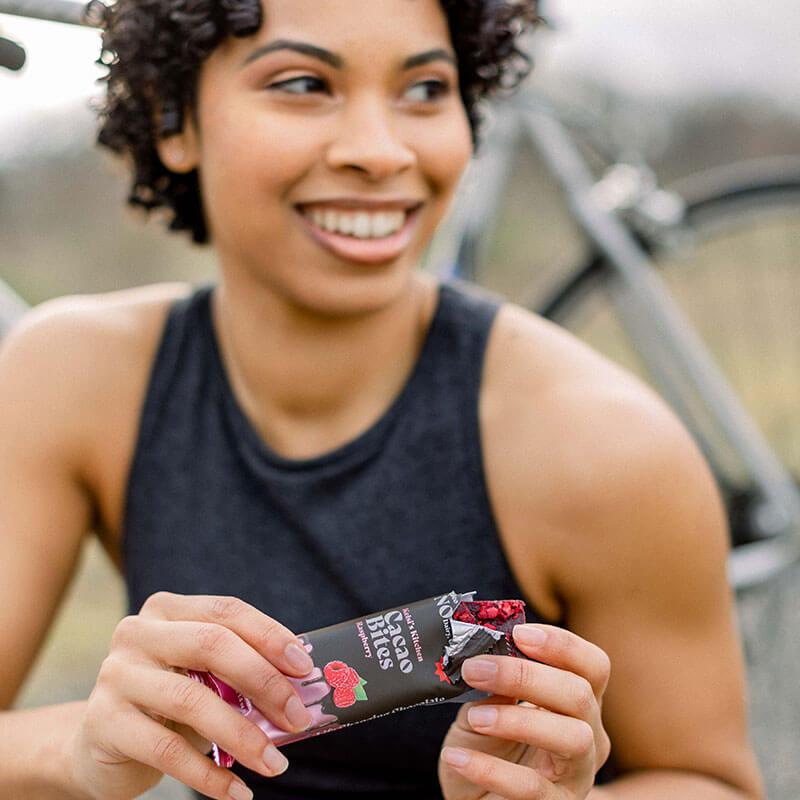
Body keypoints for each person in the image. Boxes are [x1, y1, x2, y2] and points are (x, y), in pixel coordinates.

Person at [0, 0, 765, 798]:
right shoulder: (76, 379)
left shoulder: (602, 442)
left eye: (426, 90)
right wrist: (80, 749)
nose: (379, 149)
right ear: (173, 118)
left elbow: (711, 779)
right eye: (302, 83)